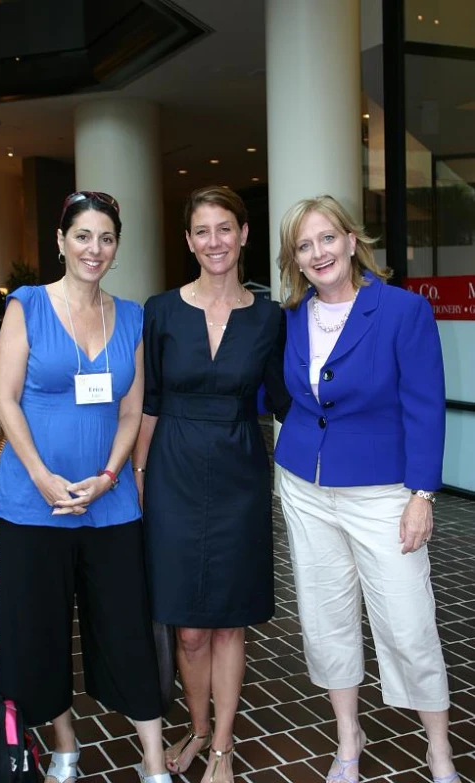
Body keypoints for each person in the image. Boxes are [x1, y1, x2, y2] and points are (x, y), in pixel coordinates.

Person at [275, 194, 460, 783]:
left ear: (353, 241)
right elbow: (273, 393)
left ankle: (439, 750)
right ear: (295, 260)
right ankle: (348, 738)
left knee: (407, 622)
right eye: (304, 246)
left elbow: (426, 406)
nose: (318, 253)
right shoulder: (289, 317)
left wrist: (421, 495)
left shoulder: (403, 311)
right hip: (305, 484)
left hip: (384, 490)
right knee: (325, 615)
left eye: (327, 238)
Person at [0, 191, 171, 783]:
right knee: (39, 629)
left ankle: (151, 759)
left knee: (125, 626)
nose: (95, 249)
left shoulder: (133, 317)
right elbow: (5, 399)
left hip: (110, 503)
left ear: (117, 247)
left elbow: (132, 410)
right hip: (32, 502)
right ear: (61, 241)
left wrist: (111, 476)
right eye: (84, 236)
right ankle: (65, 744)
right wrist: (42, 477)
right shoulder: (27, 306)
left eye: (107, 238)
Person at [133, 186, 290, 783]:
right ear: (189, 241)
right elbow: (147, 401)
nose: (214, 241)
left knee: (228, 620)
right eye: (203, 231)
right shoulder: (161, 309)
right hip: (171, 468)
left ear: (244, 235)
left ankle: (222, 745)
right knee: (189, 626)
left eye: (225, 228)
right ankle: (197, 727)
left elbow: (283, 401)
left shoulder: (269, 316)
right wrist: (139, 478)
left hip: (239, 471)